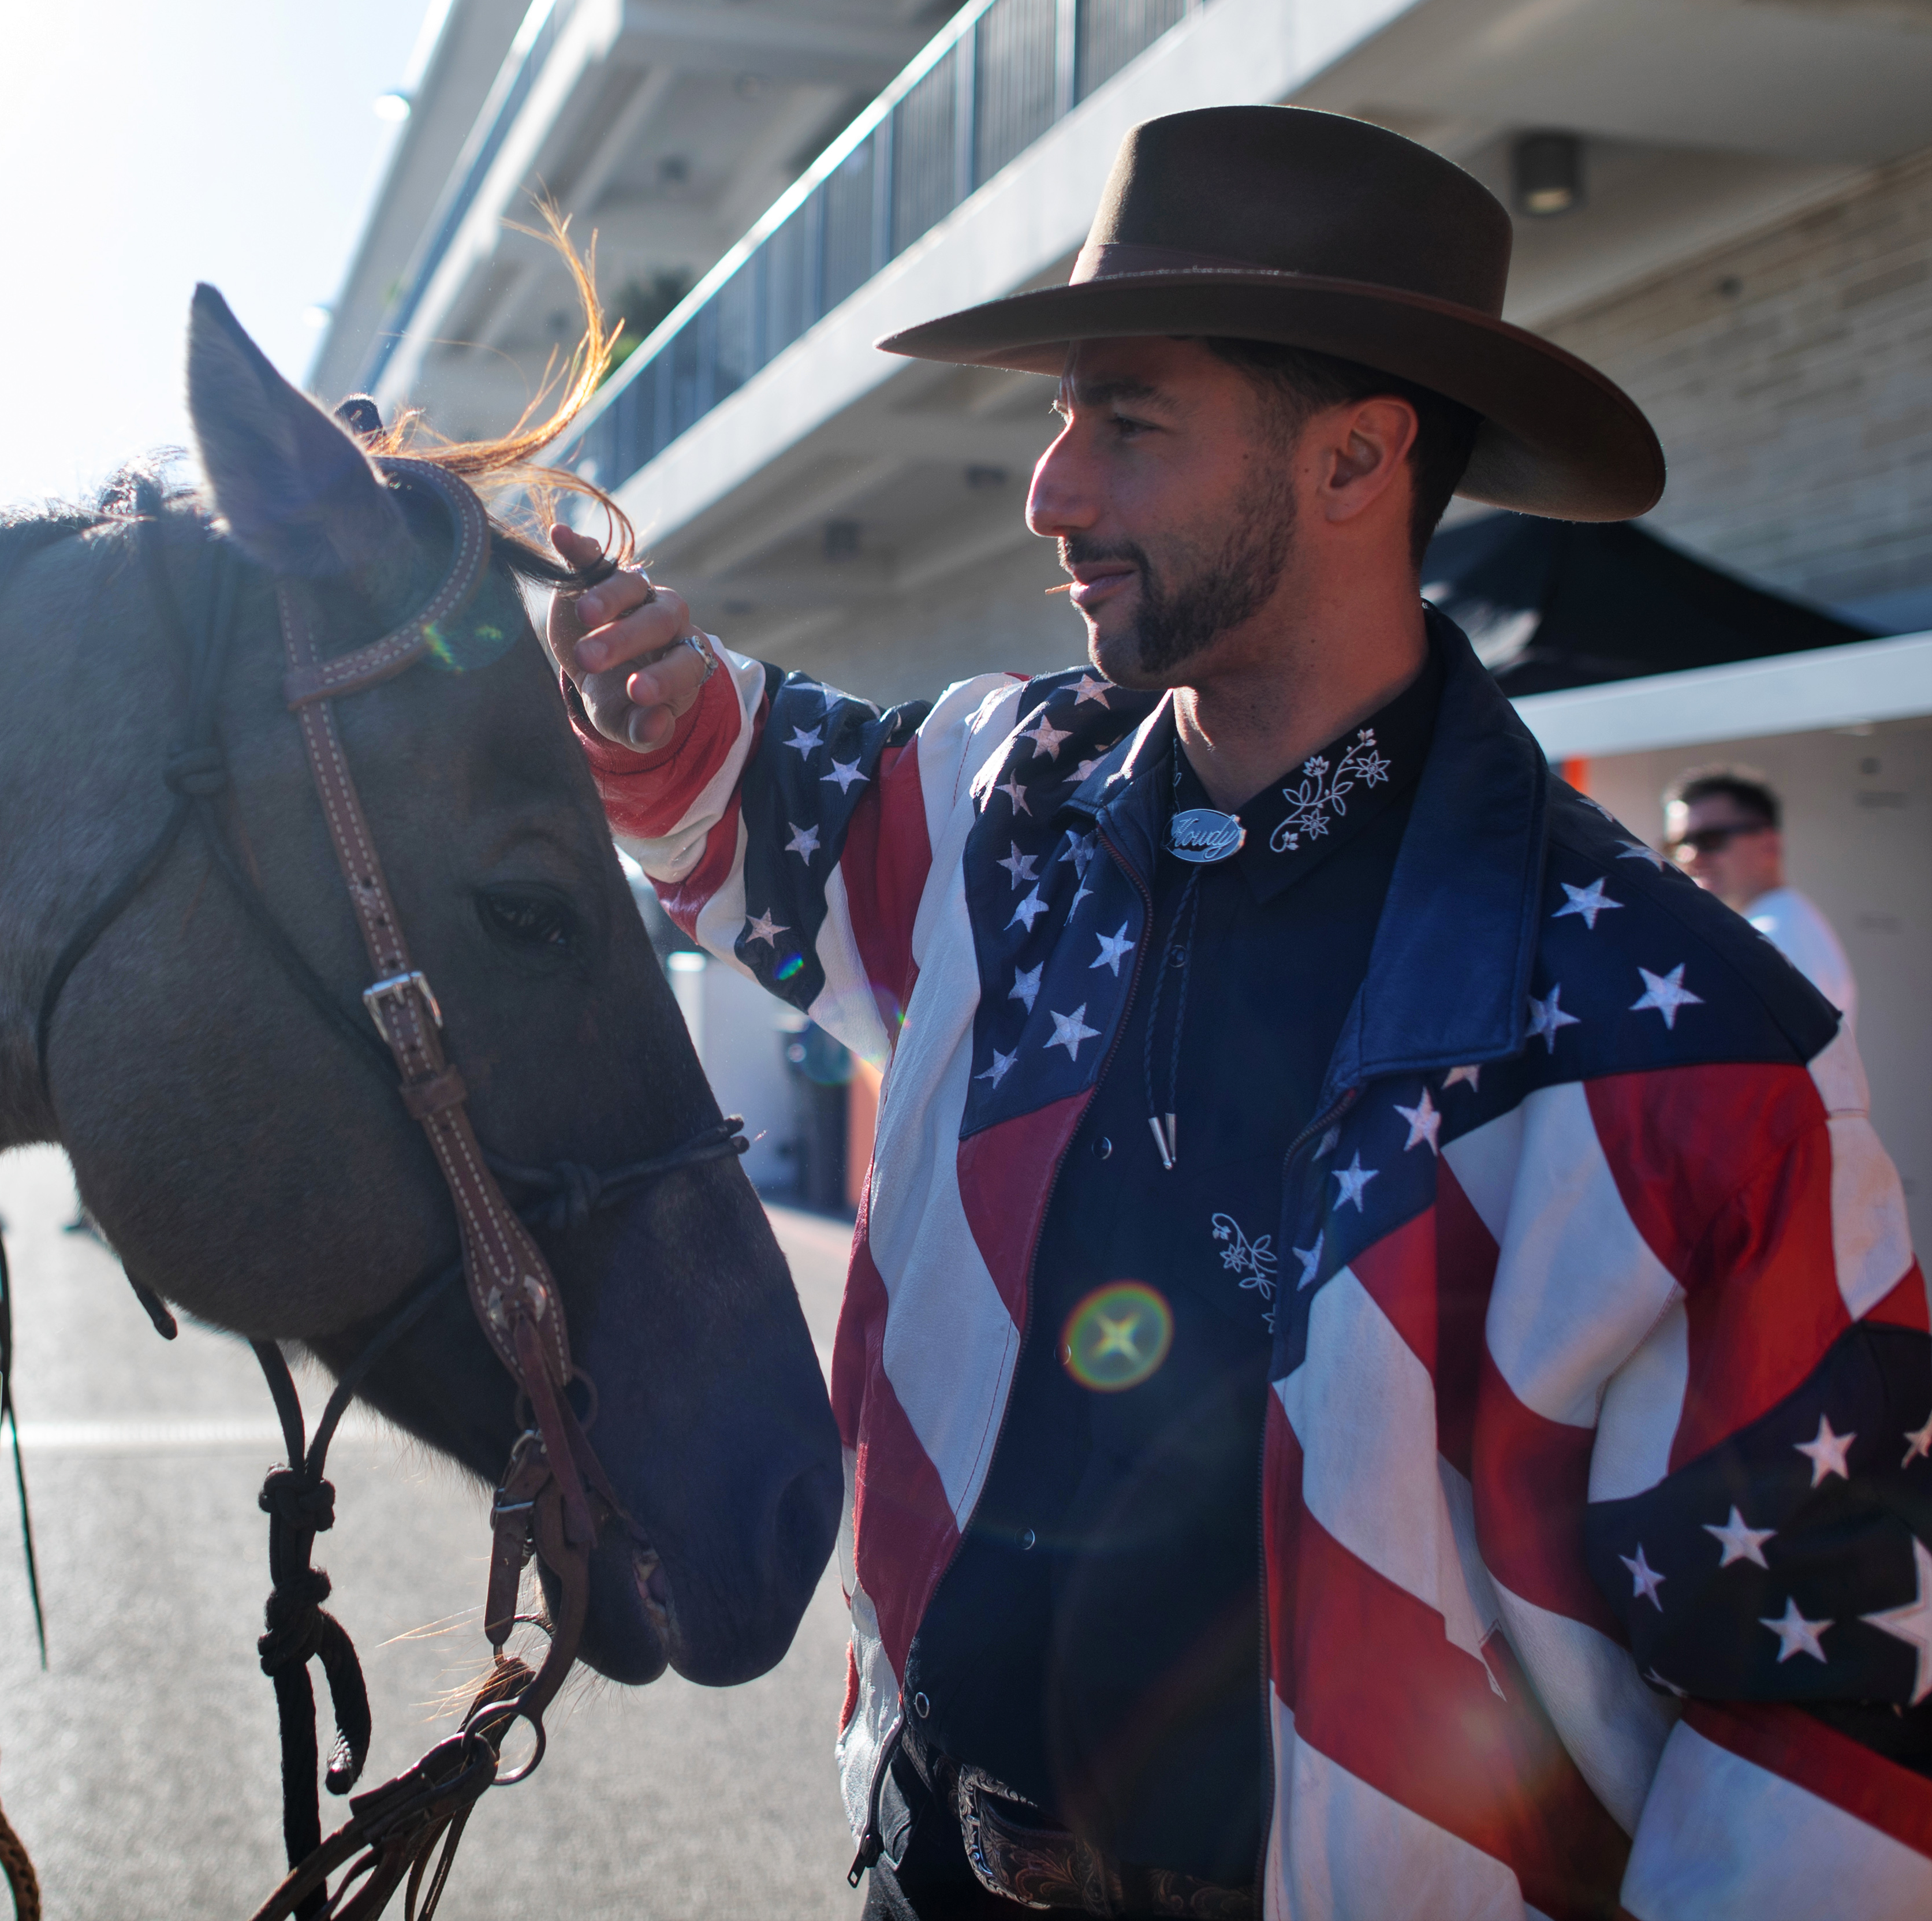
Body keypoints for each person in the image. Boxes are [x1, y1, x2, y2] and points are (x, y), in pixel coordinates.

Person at [541, 107, 1932, 1918]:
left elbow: (1820, 1731)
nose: (1049, 488)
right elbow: (771, 810)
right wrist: (627, 686)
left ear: (1359, 457)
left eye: (1125, 420)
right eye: (1058, 414)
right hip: (919, 1868)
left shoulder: (1692, 1042)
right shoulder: (1009, 789)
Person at [1666, 769, 1858, 1024]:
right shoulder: (1786, 923)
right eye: (1678, 845)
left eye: (1710, 839)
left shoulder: (1773, 938)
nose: (1691, 856)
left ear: (1769, 843)